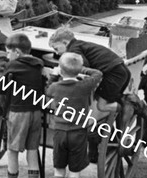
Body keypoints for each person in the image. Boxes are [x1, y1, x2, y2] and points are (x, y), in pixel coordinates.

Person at [49, 27, 131, 162]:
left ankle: (122, 107)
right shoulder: (78, 44)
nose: (56, 53)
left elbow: (81, 68)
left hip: (114, 74)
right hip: (118, 70)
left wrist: (62, 72)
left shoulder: (73, 50)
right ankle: (118, 105)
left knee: (101, 105)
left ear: (64, 42)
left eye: (56, 48)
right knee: (101, 102)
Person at [45, 53, 103, 178]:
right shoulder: (85, 86)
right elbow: (98, 74)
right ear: (78, 70)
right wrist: (81, 69)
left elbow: (48, 89)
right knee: (75, 172)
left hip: (60, 132)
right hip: (78, 133)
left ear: (61, 70)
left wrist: (55, 74)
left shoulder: (55, 88)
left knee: (59, 169)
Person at [0, 33, 44, 178]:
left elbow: (1, 89)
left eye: (8, 52)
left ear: (16, 52)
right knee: (32, 151)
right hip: (36, 113)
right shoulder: (39, 65)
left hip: (18, 112)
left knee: (12, 150)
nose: (7, 56)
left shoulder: (13, 65)